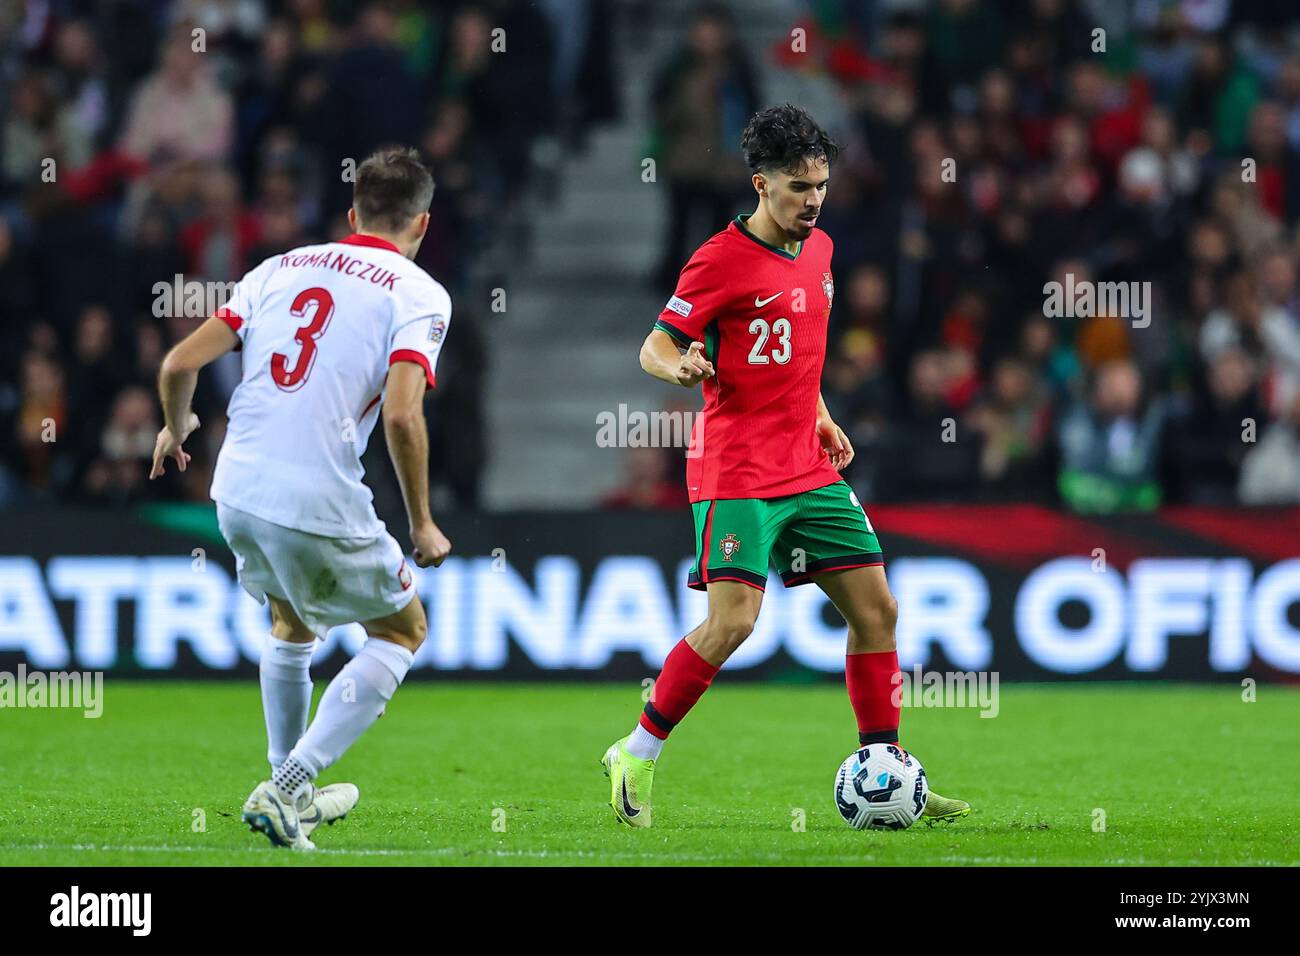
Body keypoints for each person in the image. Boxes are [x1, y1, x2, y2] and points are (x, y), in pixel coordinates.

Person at [602, 105, 970, 828]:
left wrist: (823, 412)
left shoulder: (823, 250)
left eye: (822, 185)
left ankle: (888, 773)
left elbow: (798, 352)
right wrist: (679, 370)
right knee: (734, 622)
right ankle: (636, 751)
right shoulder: (718, 260)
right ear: (760, 184)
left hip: (806, 463)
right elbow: (654, 344)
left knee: (878, 611)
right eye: (799, 187)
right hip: (736, 468)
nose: (813, 200)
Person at [149, 146, 453, 850]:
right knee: (403, 632)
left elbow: (177, 363)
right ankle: (290, 783)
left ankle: (290, 792)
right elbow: (405, 415)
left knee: (291, 625)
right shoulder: (418, 293)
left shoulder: (277, 268)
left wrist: (175, 425)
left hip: (236, 488)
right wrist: (424, 524)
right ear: (422, 224)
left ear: (352, 215)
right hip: (314, 491)